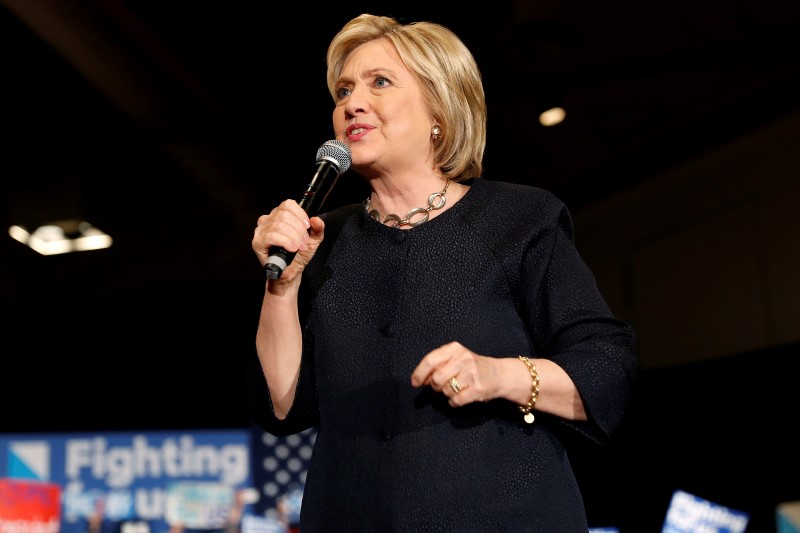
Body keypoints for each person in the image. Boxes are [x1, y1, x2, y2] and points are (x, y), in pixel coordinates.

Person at [247, 12, 638, 532]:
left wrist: (498, 373)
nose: (351, 104)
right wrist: (283, 286)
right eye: (342, 92)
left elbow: (606, 370)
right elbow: (283, 407)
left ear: (440, 109)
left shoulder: (519, 220)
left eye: (379, 82)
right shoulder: (324, 238)